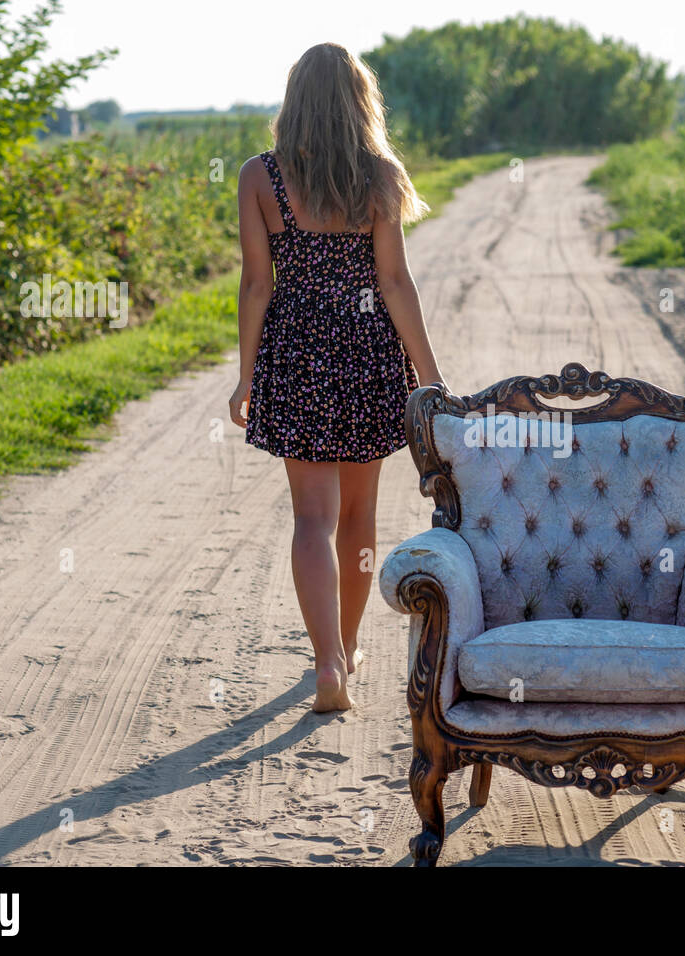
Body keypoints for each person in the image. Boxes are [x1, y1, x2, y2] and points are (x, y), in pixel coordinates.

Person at [229, 42, 446, 712]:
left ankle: (326, 664)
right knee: (357, 515)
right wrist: (431, 381)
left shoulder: (258, 178)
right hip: (369, 353)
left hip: (296, 355)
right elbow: (393, 282)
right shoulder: (379, 176)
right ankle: (347, 652)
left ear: (294, 100)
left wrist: (245, 378)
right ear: (360, 101)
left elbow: (257, 285)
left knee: (312, 518)